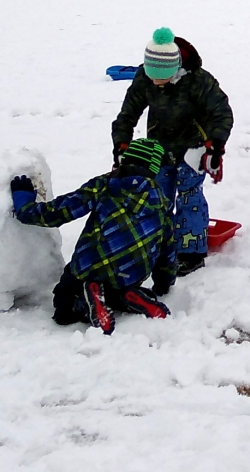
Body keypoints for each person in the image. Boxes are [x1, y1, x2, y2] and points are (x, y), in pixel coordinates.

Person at [11, 137, 176, 334]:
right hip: (132, 274)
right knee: (120, 284)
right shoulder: (162, 202)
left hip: (92, 267)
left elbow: (61, 211)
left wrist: (25, 207)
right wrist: (164, 283)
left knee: (64, 306)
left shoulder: (105, 184)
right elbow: (167, 248)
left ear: (125, 160)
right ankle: (125, 296)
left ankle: (85, 300)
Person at [112, 27, 234, 276]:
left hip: (192, 149)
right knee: (157, 197)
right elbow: (128, 113)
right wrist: (122, 144)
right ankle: (159, 244)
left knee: (190, 197)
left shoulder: (198, 81)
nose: (155, 82)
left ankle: (191, 252)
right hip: (158, 148)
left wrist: (214, 147)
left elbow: (221, 113)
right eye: (151, 76)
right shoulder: (146, 77)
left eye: (161, 77)